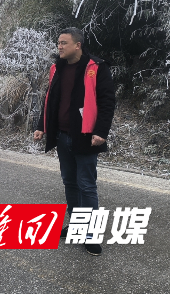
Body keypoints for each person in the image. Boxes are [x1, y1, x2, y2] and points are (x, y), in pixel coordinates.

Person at [34, 27, 115, 256]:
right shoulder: (56, 68)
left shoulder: (96, 67)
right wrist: (41, 126)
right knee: (69, 182)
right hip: (61, 135)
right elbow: (50, 100)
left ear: (78, 45)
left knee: (86, 185)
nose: (59, 47)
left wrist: (101, 131)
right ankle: (77, 226)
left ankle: (92, 234)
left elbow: (107, 102)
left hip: (86, 136)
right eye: (58, 43)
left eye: (64, 43)